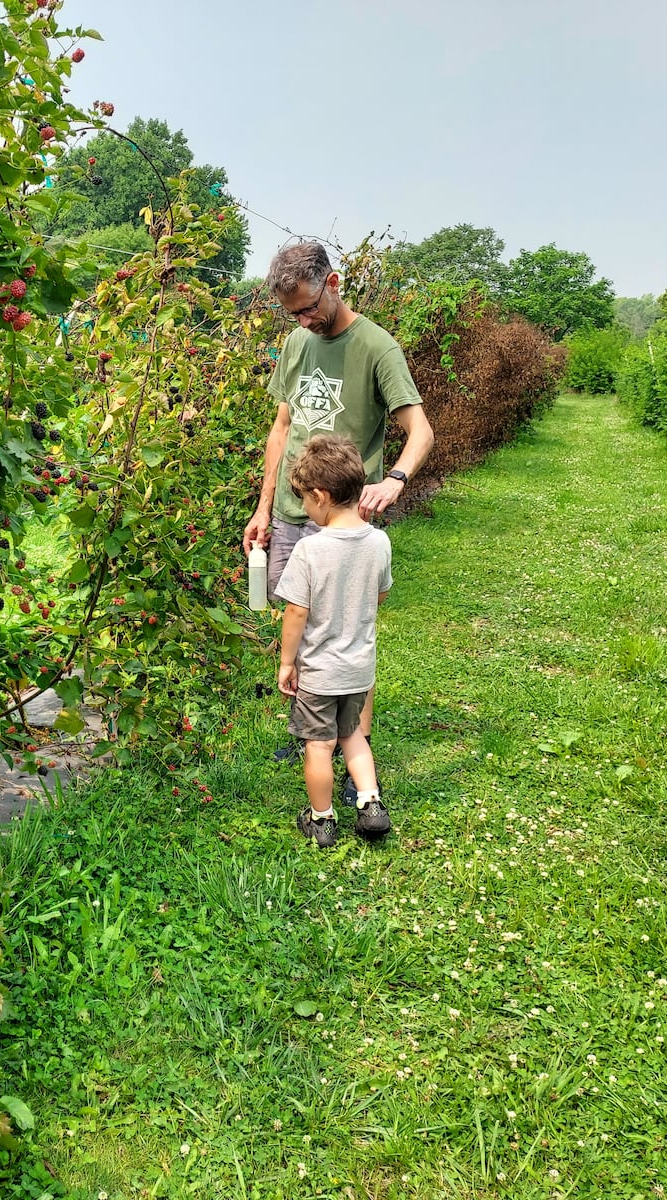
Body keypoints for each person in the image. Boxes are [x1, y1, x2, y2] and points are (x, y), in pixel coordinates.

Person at [242, 242, 434, 809]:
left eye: (309, 310)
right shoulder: (296, 342)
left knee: (350, 635)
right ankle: (314, 733)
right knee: (300, 626)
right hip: (293, 511)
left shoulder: (377, 347)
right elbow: (282, 429)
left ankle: (355, 746)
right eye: (293, 315)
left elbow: (419, 431)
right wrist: (263, 507)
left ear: (333, 283)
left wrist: (396, 478)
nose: (303, 322)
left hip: (347, 519)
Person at [274, 434, 392, 846]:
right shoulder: (379, 542)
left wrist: (288, 662)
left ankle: (321, 819)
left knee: (319, 745)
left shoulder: (310, 549)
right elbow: (379, 594)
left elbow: (296, 612)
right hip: (359, 667)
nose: (305, 508)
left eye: (305, 499)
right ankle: (370, 803)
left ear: (321, 496)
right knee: (353, 734)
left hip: (320, 672)